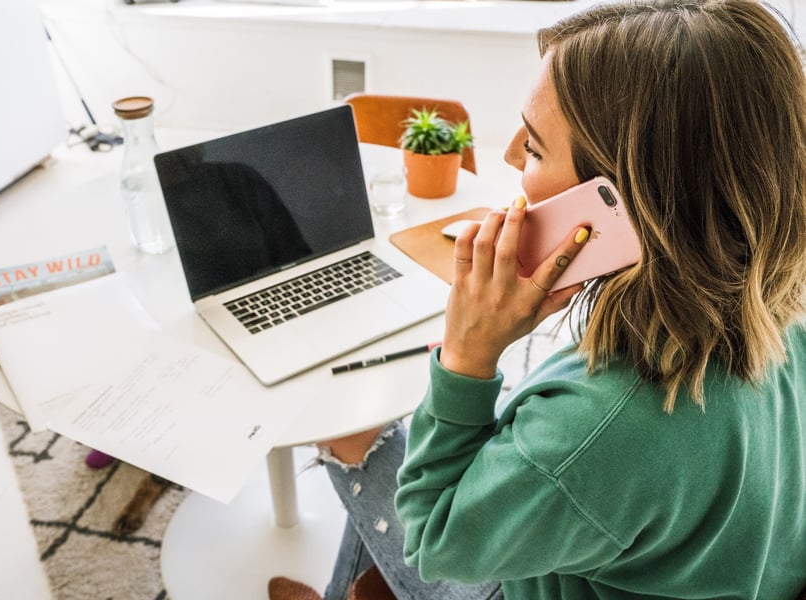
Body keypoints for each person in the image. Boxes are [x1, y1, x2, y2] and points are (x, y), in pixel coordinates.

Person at [269, 0, 806, 597]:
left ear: (621, 203)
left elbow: (431, 538)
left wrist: (467, 355)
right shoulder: (779, 305)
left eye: (535, 149)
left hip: (503, 576)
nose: (507, 154)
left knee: (351, 435)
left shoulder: (595, 431)